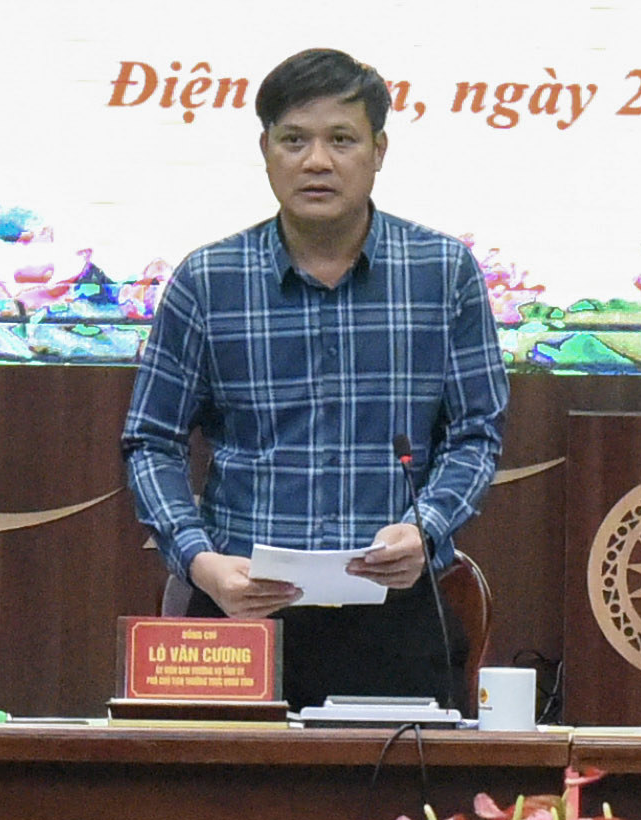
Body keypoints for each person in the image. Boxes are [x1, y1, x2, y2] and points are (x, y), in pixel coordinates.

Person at [117, 48, 506, 710]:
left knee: (401, 783)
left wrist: (427, 529)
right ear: (265, 150)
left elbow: (477, 432)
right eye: (294, 140)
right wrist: (201, 561)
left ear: (379, 151)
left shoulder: (443, 274)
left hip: (395, 614)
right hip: (242, 615)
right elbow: (151, 441)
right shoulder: (209, 281)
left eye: (341, 140)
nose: (317, 161)